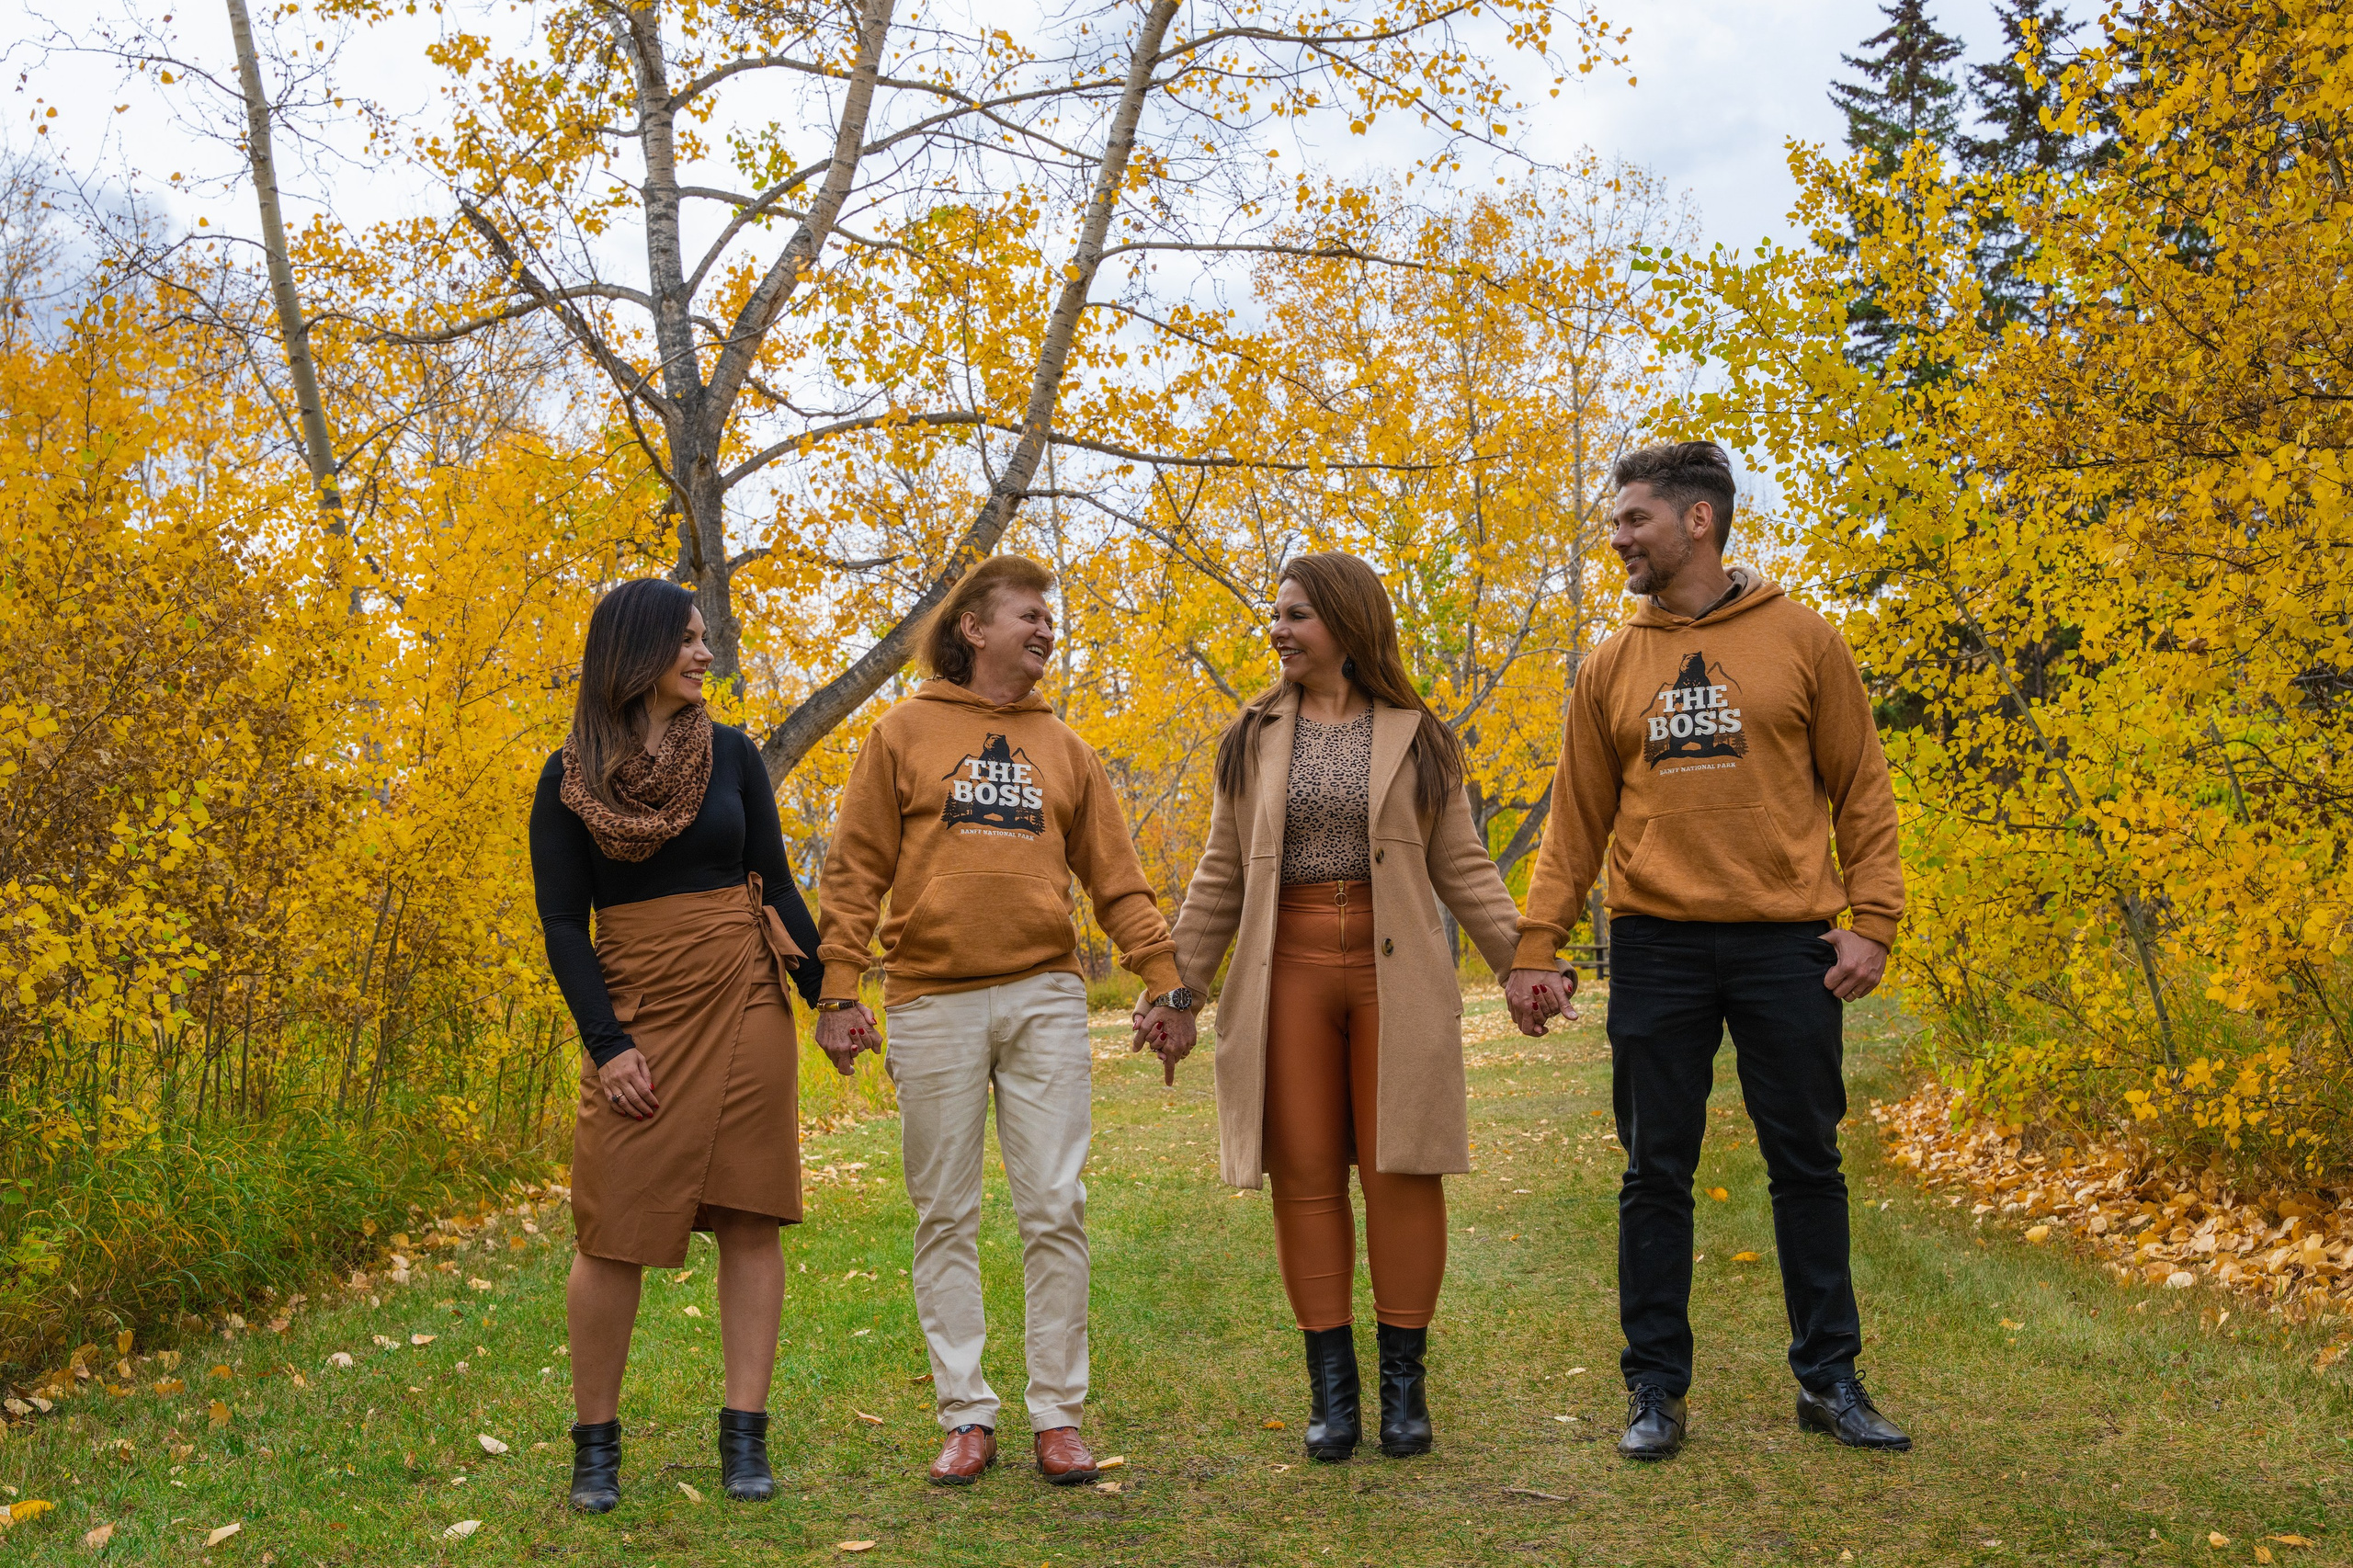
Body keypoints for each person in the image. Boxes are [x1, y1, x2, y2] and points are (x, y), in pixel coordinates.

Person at [1502, 440, 1912, 1461]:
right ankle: (1655, 1390)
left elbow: (1861, 787)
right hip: (1656, 947)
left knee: (1806, 1165)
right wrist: (1536, 941)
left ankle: (1828, 1378)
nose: (1616, 536)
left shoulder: (1805, 640)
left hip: (1788, 942)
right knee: (1653, 1172)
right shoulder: (1609, 665)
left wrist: (1873, 919)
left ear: (1698, 519)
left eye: (1633, 517)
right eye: (1615, 519)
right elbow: (1575, 820)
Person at [812, 554, 1183, 1489]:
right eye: (1028, 613)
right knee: (945, 1210)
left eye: (1048, 616)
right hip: (930, 998)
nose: (1045, 628)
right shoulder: (900, 731)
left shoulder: (1066, 749)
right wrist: (838, 988)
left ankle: (1058, 1412)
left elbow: (1116, 879)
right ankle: (966, 1412)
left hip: (1044, 995)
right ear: (972, 626)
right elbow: (854, 869)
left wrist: (1166, 978)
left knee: (1055, 1204)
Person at [1150, 551, 1524, 1464]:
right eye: (1275, 615)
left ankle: (1404, 1389)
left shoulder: (1418, 733)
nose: (1278, 629)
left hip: (1397, 973)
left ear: (1348, 625)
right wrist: (1179, 986)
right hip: (1289, 974)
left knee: (1403, 1166)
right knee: (1305, 1172)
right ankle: (1332, 1391)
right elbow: (1220, 872)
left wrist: (1526, 960)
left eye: (1297, 615)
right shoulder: (1248, 737)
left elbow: (1462, 863)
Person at [529, 577, 842, 1511]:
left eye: (706, 638)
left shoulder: (737, 756)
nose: (707, 653)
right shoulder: (565, 777)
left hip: (745, 995)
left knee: (751, 1215)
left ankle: (744, 1437)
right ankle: (596, 1445)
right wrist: (607, 1043)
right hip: (636, 1009)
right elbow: (561, 927)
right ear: (640, 651)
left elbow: (777, 889)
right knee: (611, 1226)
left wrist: (834, 997)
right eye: (691, 640)